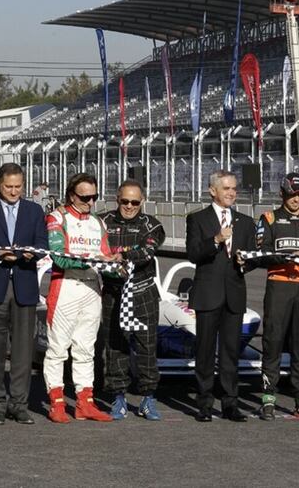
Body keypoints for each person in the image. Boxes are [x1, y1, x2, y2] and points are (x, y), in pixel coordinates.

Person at [0, 162, 47, 425]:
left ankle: (19, 403)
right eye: (9, 187)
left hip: (24, 286)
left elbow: (43, 244)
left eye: (18, 187)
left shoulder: (34, 211)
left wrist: (29, 253)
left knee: (23, 351)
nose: (14, 191)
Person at [252, 172, 299, 420]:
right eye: (293, 194)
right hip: (279, 285)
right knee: (273, 340)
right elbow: (261, 254)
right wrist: (288, 256)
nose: (297, 199)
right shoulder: (269, 219)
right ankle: (268, 398)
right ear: (282, 193)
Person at [42, 172, 113, 423]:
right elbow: (59, 257)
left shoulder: (98, 222)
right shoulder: (57, 218)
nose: (90, 202)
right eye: (85, 198)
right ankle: (57, 403)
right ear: (72, 195)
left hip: (92, 288)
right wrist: (94, 260)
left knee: (86, 349)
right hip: (66, 286)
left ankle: (85, 403)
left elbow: (106, 255)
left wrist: (116, 263)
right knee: (58, 348)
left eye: (94, 197)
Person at [185, 169, 255, 422]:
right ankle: (204, 404)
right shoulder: (197, 219)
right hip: (208, 293)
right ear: (212, 190)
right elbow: (193, 253)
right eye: (226, 188)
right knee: (204, 351)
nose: (232, 193)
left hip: (234, 294)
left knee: (230, 353)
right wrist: (215, 239)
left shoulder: (245, 222)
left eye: (234, 188)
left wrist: (246, 262)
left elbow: (253, 256)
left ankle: (230, 404)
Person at [98, 179, 166, 421]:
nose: (129, 206)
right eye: (125, 201)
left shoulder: (152, 224)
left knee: (147, 347)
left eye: (135, 202)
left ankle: (148, 397)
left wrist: (121, 255)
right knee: (115, 346)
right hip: (113, 292)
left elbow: (147, 252)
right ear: (117, 199)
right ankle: (118, 397)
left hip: (142, 293)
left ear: (142, 201)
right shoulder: (102, 221)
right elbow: (94, 248)